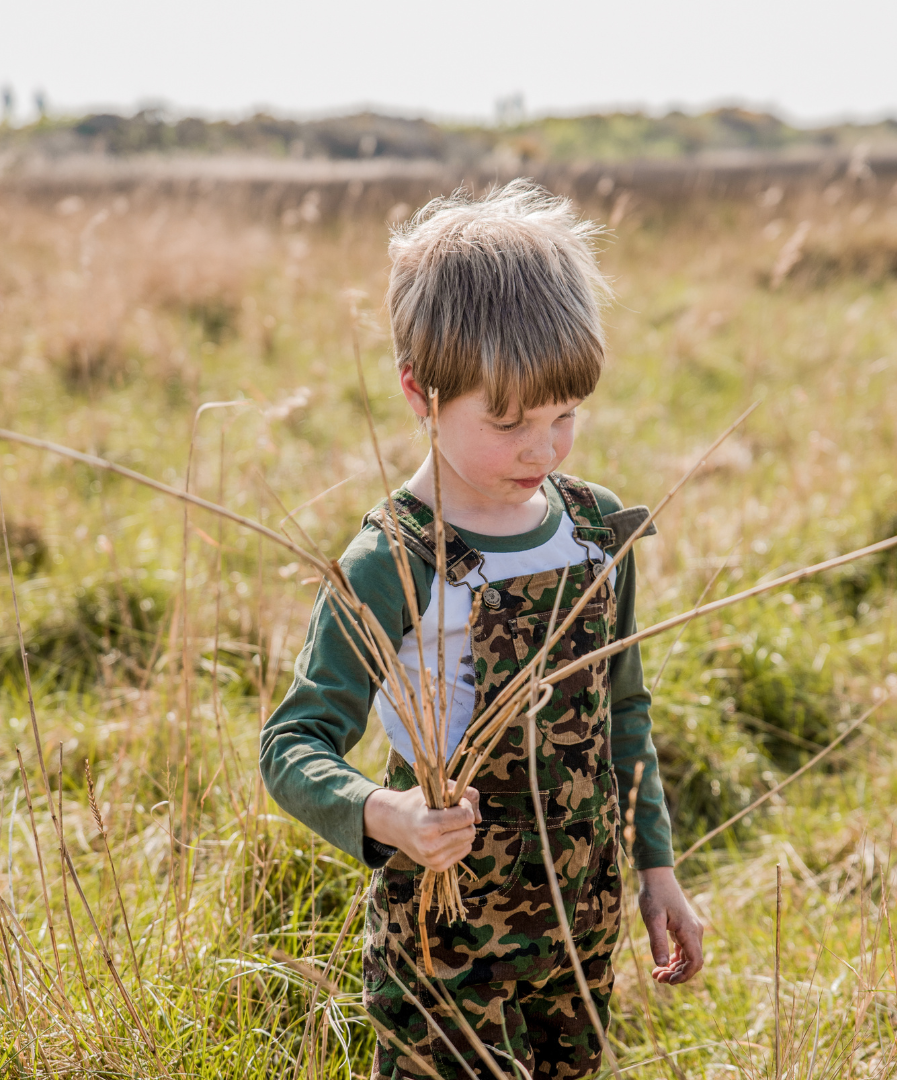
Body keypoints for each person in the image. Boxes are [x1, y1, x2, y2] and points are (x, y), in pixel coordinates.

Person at [260, 180, 704, 1080]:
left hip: (579, 930)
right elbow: (291, 743)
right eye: (509, 423)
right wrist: (384, 814)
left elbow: (625, 713)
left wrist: (657, 870)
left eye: (565, 415)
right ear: (419, 392)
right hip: (445, 948)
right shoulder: (393, 562)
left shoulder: (594, 529)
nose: (543, 450)